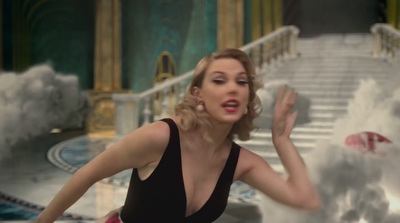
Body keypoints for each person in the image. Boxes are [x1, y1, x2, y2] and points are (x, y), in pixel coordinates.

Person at [35, 48, 321, 223]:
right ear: (198, 94)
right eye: (219, 80)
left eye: (241, 82)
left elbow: (306, 200)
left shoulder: (243, 162)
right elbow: (87, 174)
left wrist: (282, 143)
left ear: (247, 98)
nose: (232, 88)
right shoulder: (161, 137)